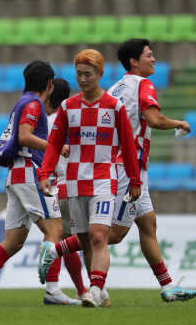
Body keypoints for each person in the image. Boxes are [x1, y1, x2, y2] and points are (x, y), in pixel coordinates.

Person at [38, 39, 196, 302]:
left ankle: (167, 286)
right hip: (127, 167)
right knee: (111, 234)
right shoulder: (142, 84)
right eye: (149, 55)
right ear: (134, 61)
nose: (153, 59)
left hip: (124, 166)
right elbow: (154, 119)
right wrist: (179, 123)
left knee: (148, 225)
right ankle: (55, 252)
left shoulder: (115, 88)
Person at [0, 61, 70, 306]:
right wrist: (56, 146)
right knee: (55, 231)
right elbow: (24, 137)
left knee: (14, 241)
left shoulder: (23, 100)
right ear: (50, 84)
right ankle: (53, 291)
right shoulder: (33, 103)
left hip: (16, 175)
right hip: (30, 173)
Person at [37, 49, 142, 308]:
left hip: (105, 180)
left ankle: (93, 291)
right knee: (84, 240)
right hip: (74, 183)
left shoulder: (115, 107)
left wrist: (135, 180)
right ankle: (101, 292)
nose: (82, 79)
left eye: (87, 74)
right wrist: (44, 174)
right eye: (78, 74)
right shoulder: (67, 107)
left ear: (100, 74)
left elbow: (128, 146)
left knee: (98, 237)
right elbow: (53, 144)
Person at [42, 78, 88, 303]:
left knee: (62, 240)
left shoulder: (49, 121)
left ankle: (62, 289)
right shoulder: (77, 115)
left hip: (60, 186)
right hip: (81, 185)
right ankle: (83, 290)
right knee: (73, 240)